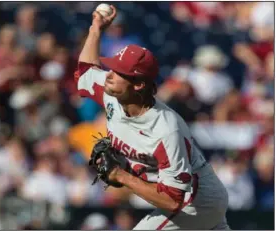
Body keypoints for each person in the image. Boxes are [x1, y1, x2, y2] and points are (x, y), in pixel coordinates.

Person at [74, 5, 230, 230]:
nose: (109, 75)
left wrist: (122, 176)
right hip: (191, 197)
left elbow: (172, 199)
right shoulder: (113, 95)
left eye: (119, 72)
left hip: (196, 201)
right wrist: (96, 28)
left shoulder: (165, 129)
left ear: (138, 85)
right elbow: (87, 72)